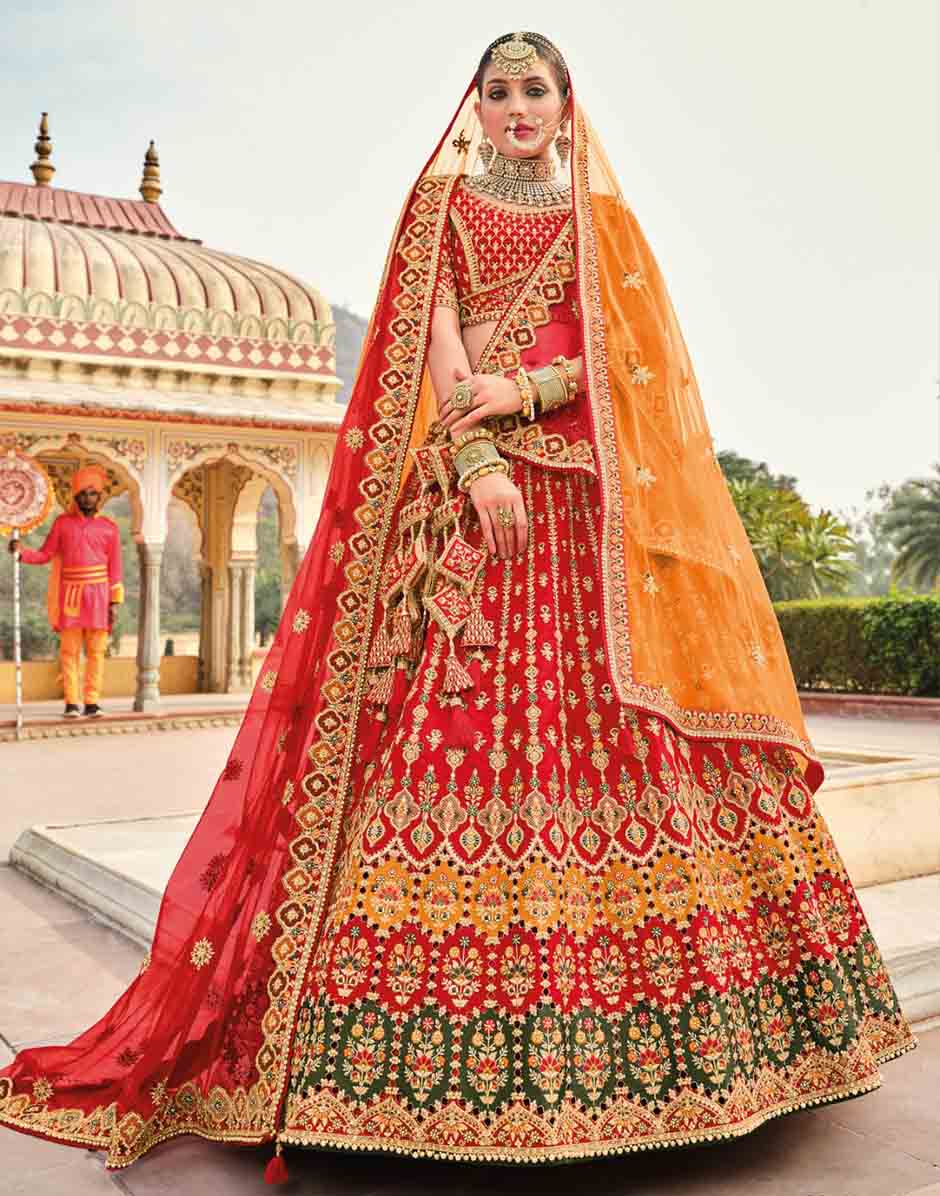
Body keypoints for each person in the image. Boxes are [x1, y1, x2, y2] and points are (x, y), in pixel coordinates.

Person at [0, 32, 913, 1176]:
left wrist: (529, 386)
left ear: (565, 104)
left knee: (633, 741)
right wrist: (477, 451)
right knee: (435, 739)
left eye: (535, 90)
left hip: (583, 524)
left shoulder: (602, 224)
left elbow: (630, 364)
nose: (516, 107)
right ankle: (383, 1078)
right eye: (497, 91)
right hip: (470, 514)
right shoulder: (443, 210)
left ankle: (702, 1064)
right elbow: (431, 341)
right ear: (472, 107)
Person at [8, 463, 123, 718]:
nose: (88, 498)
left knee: (96, 652)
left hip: (99, 596)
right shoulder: (62, 524)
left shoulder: (109, 528)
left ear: (100, 497)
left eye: (92, 493)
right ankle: (72, 702)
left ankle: (92, 702)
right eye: (83, 493)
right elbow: (45, 554)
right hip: (70, 595)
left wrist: (114, 603)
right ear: (75, 496)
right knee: (69, 652)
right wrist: (21, 553)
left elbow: (115, 569)